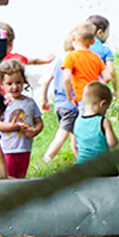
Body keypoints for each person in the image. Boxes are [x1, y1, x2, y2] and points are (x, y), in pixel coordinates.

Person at [37, 31, 80, 165]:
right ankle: (47, 158)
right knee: (63, 133)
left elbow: (45, 81)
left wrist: (44, 100)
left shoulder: (58, 62)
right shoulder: (74, 62)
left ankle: (80, 158)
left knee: (75, 133)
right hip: (70, 105)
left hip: (59, 105)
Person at [0, 60, 43, 178]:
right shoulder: (3, 103)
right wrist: (12, 127)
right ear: (2, 84)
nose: (15, 87)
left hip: (24, 148)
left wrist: (35, 131)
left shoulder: (30, 102)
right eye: (10, 84)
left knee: (21, 178)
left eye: (18, 82)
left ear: (24, 81)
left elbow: (39, 122)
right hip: (7, 150)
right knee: (7, 177)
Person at [73, 81, 119, 166]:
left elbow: (74, 146)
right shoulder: (103, 121)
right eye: (107, 108)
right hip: (101, 165)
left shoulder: (77, 122)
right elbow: (112, 144)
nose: (105, 111)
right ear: (103, 104)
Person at [85, 16, 117, 86]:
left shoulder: (82, 48)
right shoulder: (105, 50)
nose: (108, 35)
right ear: (100, 32)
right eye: (107, 32)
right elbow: (111, 71)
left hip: (83, 87)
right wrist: (115, 89)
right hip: (100, 87)